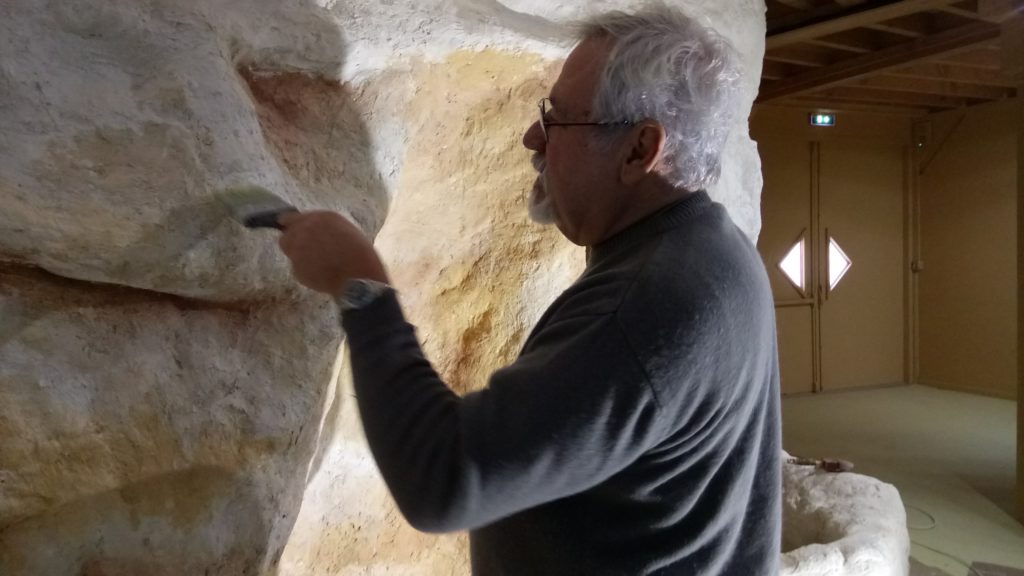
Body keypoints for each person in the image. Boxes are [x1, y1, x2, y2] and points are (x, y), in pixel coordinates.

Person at [277, 5, 781, 575]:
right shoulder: (712, 250)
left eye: (559, 119)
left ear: (640, 150)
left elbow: (443, 480)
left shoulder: (650, 300)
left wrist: (359, 287)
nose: (532, 137)